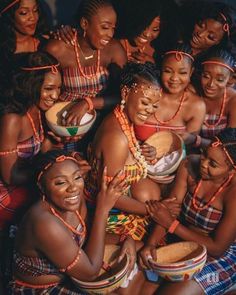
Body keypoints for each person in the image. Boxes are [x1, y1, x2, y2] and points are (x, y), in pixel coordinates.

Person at [8, 149, 139, 294]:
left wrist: (125, 238)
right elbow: (90, 273)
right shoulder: (44, 223)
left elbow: (86, 238)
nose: (73, 188)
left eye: (77, 178)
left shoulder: (74, 199)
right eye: (60, 182)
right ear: (41, 186)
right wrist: (102, 209)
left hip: (71, 274)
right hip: (42, 290)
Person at [85, 62, 179, 242]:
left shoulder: (121, 120)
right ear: (125, 93)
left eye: (154, 106)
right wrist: (154, 210)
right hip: (111, 218)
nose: (149, 111)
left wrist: (140, 153)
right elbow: (111, 197)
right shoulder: (117, 138)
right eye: (145, 103)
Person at [140, 128, 236, 295]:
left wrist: (172, 225)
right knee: (141, 286)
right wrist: (151, 244)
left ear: (232, 171)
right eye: (204, 154)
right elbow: (168, 211)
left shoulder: (233, 193)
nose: (203, 163)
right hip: (181, 240)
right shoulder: (189, 165)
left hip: (220, 254)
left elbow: (218, 247)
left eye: (213, 164)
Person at [45, 0, 127, 129]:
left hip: (101, 125)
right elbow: (42, 93)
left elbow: (125, 98)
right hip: (64, 123)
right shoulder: (58, 50)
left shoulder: (114, 49)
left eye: (113, 28)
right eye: (105, 27)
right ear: (84, 23)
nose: (110, 34)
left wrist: (87, 103)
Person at [134, 44, 206, 147]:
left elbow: (186, 149)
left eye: (182, 73)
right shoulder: (146, 93)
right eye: (168, 71)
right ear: (161, 70)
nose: (174, 78)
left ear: (191, 73)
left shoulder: (196, 106)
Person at [114, 0, 180, 64]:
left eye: (155, 30)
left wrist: (151, 65)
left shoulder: (159, 50)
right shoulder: (115, 43)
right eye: (144, 27)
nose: (147, 34)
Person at [0, 0, 49, 82]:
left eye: (35, 10)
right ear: (9, 16)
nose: (33, 17)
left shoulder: (45, 43)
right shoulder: (3, 49)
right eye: (24, 13)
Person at [197, 49, 236, 147]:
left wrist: (196, 140)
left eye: (220, 79)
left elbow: (230, 144)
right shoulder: (194, 94)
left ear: (230, 79)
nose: (211, 84)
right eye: (206, 76)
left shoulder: (233, 101)